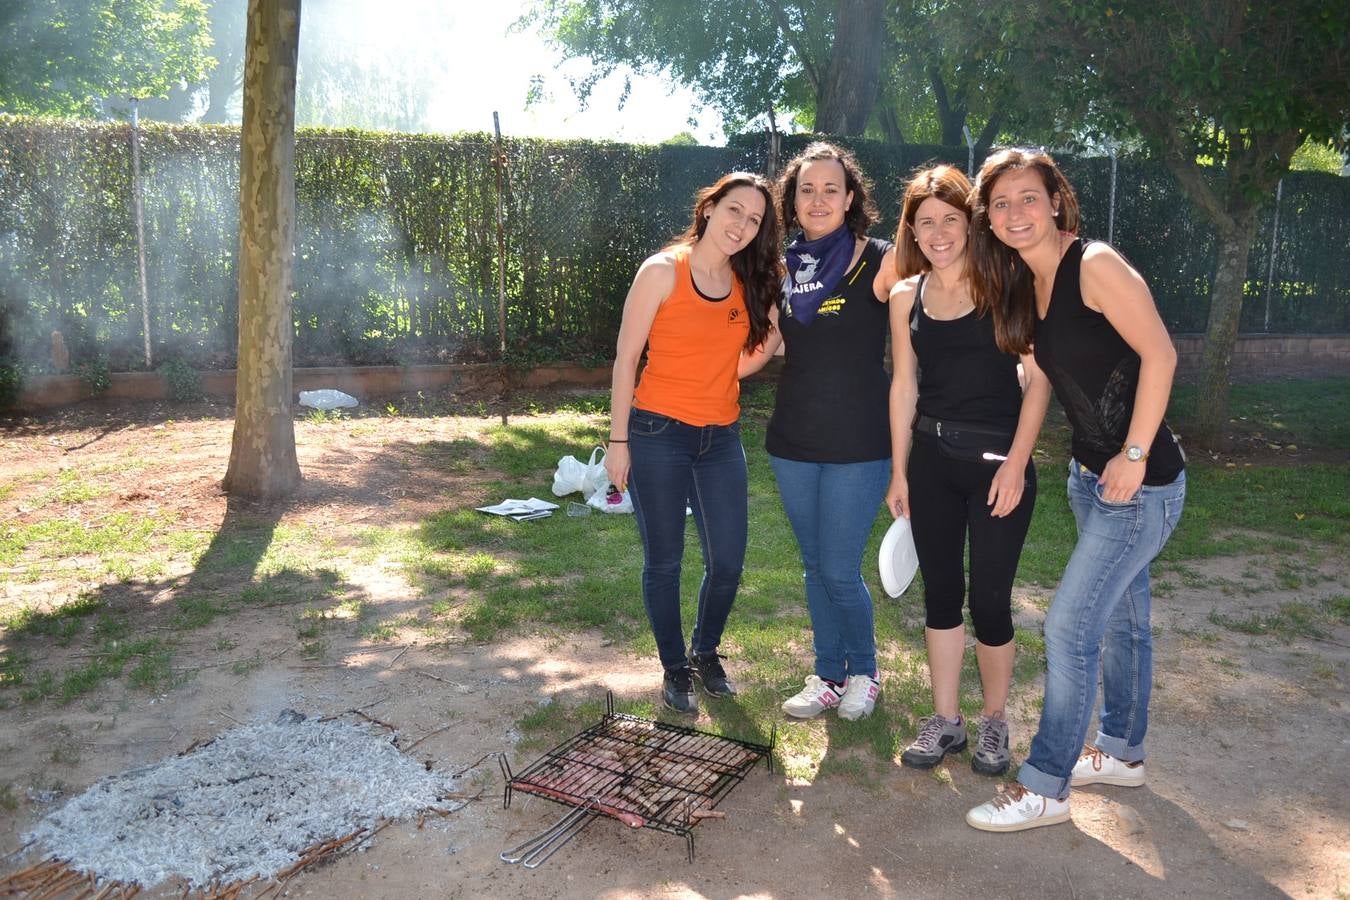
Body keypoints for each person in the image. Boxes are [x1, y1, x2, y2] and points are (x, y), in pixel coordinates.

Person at [963, 148, 1187, 832]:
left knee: (1068, 626)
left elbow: (1162, 354)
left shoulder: (1093, 264)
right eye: (1000, 203)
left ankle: (1046, 785)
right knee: (1121, 623)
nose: (1015, 213)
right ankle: (1121, 751)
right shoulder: (1028, 283)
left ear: (1056, 200)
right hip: (1090, 478)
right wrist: (1017, 459)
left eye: (1028, 197)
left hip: (1141, 485)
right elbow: (1041, 385)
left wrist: (1135, 454)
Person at [885, 165, 1050, 775]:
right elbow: (904, 388)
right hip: (930, 462)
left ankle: (996, 722)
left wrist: (1018, 461)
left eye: (949, 219)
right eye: (923, 222)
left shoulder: (1007, 282)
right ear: (912, 232)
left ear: (969, 223)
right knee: (942, 596)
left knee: (991, 599)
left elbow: (1038, 381)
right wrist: (899, 472)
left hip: (998, 464)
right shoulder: (906, 297)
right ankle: (947, 720)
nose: (937, 232)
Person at [605, 172, 783, 715]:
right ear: (709, 208)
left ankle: (705, 652)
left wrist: (774, 333)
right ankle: (673, 667)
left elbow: (737, 364)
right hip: (657, 434)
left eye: (754, 220)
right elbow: (625, 359)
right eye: (735, 211)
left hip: (721, 438)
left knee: (727, 561)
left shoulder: (744, 282)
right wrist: (617, 441)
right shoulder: (662, 271)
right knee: (665, 560)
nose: (742, 226)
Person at [741, 142, 899, 721]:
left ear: (851, 197)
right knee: (815, 566)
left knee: (837, 567)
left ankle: (865, 671)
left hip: (860, 444)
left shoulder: (881, 259)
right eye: (807, 189)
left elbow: (947, 282)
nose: (819, 199)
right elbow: (759, 350)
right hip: (793, 444)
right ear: (792, 200)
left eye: (831, 188)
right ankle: (828, 674)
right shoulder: (782, 269)